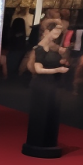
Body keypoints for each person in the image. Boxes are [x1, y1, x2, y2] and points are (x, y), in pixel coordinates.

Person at [22, 20, 69, 157]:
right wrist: (58, 69)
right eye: (55, 31)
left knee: (51, 115)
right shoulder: (40, 48)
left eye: (59, 32)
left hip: (53, 86)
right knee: (41, 116)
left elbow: (53, 60)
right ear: (47, 32)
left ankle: (48, 142)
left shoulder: (54, 47)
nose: (57, 34)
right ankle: (38, 142)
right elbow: (38, 69)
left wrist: (62, 62)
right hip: (42, 86)